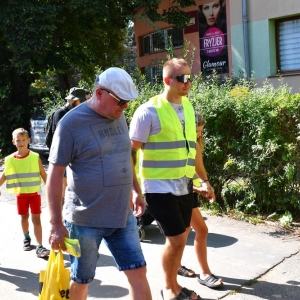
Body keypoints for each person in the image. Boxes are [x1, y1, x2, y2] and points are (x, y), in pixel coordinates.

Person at [46, 67, 152, 300]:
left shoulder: (119, 114)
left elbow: (125, 155)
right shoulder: (70, 125)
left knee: (138, 271)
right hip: (85, 221)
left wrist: (136, 190)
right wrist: (55, 225)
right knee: (82, 280)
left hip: (122, 216)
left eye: (127, 103)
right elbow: (54, 177)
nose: (125, 108)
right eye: (121, 102)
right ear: (99, 93)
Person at [130, 58, 201, 300]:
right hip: (158, 186)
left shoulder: (189, 108)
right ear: (167, 80)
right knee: (177, 238)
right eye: (182, 78)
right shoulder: (148, 111)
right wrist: (134, 190)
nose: (187, 82)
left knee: (183, 235)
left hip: (184, 183)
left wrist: (202, 179)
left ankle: (174, 283)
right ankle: (169, 288)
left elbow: (193, 147)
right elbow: (130, 151)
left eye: (189, 77)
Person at [178, 115, 223, 289]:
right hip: (181, 191)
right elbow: (178, 174)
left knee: (185, 231)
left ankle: (176, 265)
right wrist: (199, 188)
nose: (199, 134)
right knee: (200, 230)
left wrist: (205, 185)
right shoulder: (181, 144)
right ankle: (204, 273)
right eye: (197, 130)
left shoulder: (195, 143)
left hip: (190, 190)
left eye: (201, 131)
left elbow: (196, 169)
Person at [0, 128, 49, 258]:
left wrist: (51, 189)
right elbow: (5, 175)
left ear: (29, 140)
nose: (21, 142)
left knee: (36, 219)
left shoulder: (35, 157)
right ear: (13, 142)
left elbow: (43, 174)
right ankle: (26, 237)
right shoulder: (10, 159)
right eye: (18, 140)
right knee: (24, 217)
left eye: (23, 140)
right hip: (21, 195)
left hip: (34, 195)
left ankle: (39, 246)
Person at [50, 87, 86, 205]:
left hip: (75, 156)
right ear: (73, 101)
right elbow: (61, 137)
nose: (83, 104)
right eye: (81, 101)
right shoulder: (60, 114)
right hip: (62, 156)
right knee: (63, 188)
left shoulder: (76, 112)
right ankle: (60, 216)